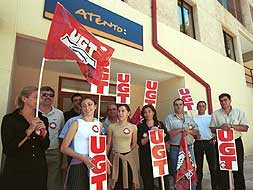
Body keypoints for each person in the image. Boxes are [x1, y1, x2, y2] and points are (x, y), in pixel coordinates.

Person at [1, 86, 50, 190]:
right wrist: (28, 131)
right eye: (36, 97)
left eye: (41, 97)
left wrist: (44, 135)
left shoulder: (43, 119)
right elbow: (8, 149)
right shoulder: (10, 119)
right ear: (24, 99)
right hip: (17, 169)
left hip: (38, 169)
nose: (40, 100)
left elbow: (45, 146)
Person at [60, 97, 103, 190]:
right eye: (84, 106)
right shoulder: (76, 123)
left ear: (95, 106)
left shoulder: (99, 124)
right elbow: (63, 148)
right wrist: (83, 158)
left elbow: (98, 145)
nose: (87, 108)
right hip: (78, 164)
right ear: (81, 108)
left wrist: (104, 158)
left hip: (95, 164)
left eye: (90, 104)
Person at [209, 93, 249, 190]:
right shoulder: (215, 114)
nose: (223, 102)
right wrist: (221, 127)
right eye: (221, 101)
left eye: (225, 100)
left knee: (238, 168)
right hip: (221, 144)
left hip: (236, 143)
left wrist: (231, 126)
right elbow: (212, 128)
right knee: (222, 169)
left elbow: (245, 128)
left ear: (230, 100)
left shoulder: (239, 112)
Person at [164, 98, 199, 190]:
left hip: (189, 148)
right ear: (174, 106)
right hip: (175, 149)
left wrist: (189, 131)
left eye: (180, 104)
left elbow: (197, 132)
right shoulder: (169, 118)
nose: (178, 106)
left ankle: (192, 188)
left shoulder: (189, 117)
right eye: (176, 104)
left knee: (190, 169)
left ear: (183, 106)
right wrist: (180, 130)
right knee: (177, 170)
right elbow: (167, 134)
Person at [107, 104, 140, 190]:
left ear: (128, 113)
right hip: (114, 158)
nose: (120, 113)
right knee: (115, 182)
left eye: (123, 111)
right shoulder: (111, 127)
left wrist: (125, 152)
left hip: (128, 159)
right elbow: (108, 144)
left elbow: (134, 143)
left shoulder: (133, 127)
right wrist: (104, 157)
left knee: (129, 181)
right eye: (119, 111)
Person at [137, 104, 170, 190]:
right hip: (146, 156)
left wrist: (158, 132)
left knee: (164, 179)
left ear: (153, 112)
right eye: (145, 112)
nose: (147, 114)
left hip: (159, 156)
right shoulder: (140, 126)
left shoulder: (159, 123)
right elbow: (140, 142)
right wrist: (150, 134)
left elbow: (167, 137)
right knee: (147, 180)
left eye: (149, 111)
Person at [39, 86, 65, 190]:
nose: (48, 97)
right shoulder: (33, 112)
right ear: (40, 96)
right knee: (37, 178)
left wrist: (63, 157)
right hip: (37, 151)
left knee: (53, 181)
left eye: (51, 95)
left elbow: (61, 135)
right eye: (44, 94)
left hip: (54, 152)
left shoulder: (59, 114)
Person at [193, 101, 217, 190]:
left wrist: (214, 137)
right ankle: (198, 187)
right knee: (199, 168)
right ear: (197, 107)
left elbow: (214, 129)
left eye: (203, 106)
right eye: (199, 106)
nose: (201, 108)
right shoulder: (193, 118)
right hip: (198, 143)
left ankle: (215, 187)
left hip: (209, 143)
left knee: (213, 168)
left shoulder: (210, 117)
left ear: (205, 108)